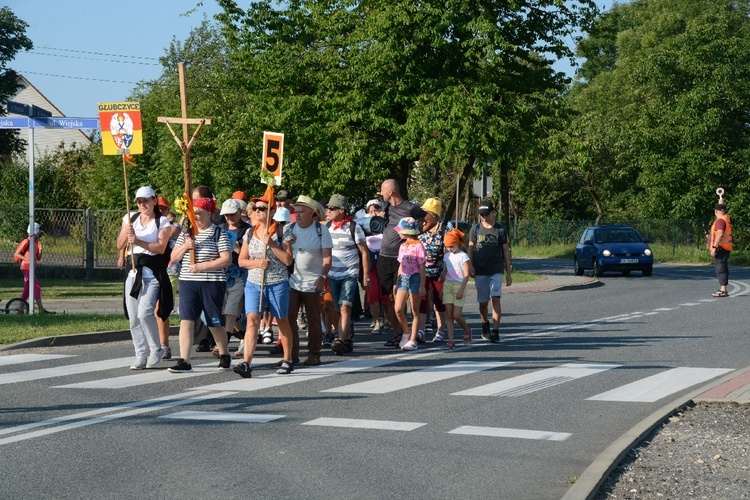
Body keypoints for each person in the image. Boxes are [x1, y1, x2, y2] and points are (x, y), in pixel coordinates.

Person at [168, 187, 233, 373]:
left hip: (212, 282)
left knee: (213, 321)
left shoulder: (218, 233)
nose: (196, 216)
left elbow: (226, 259)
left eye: (200, 213)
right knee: (186, 320)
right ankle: (184, 360)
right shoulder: (186, 233)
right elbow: (174, 256)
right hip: (188, 282)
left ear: (209, 213)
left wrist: (201, 266)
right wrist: (186, 246)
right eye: (193, 213)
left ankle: (224, 353)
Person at [234, 190, 295, 377]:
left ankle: (287, 359)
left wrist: (273, 246)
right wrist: (256, 263)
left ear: (272, 210)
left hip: (277, 282)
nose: (258, 211)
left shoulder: (282, 231)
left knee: (282, 320)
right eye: (256, 208)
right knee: (252, 319)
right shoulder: (249, 233)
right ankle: (246, 362)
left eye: (262, 208)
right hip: (254, 282)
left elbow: (288, 261)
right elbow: (241, 261)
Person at [116, 186, 173, 370]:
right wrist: (128, 233)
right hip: (133, 272)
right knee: (133, 316)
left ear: (154, 200)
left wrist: (139, 241)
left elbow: (161, 248)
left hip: (152, 272)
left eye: (146, 200)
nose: (143, 204)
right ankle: (140, 353)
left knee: (145, 312)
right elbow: (119, 244)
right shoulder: (130, 218)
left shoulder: (161, 221)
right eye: (139, 201)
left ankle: (156, 349)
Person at [377, 179, 437, 347]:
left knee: (403, 298)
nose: (381, 194)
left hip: (403, 257)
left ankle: (410, 334)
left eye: (382, 191)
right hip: (384, 256)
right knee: (389, 298)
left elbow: (431, 220)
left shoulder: (410, 207)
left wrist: (416, 235)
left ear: (390, 192)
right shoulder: (385, 207)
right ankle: (399, 334)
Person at [284, 195, 333, 366]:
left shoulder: (321, 230)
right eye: (295, 212)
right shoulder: (288, 230)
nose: (297, 215)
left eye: (301, 212)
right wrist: (288, 245)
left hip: (313, 282)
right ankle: (291, 353)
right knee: (289, 317)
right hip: (292, 281)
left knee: (313, 319)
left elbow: (328, 260)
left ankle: (314, 354)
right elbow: (284, 257)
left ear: (311, 212)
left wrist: (322, 277)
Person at [325, 194, 369, 356]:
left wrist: (365, 276)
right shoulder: (327, 227)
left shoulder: (354, 227)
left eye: (332, 208)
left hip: (349, 274)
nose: (328, 210)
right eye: (328, 208)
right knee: (336, 309)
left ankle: (340, 339)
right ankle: (347, 337)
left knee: (345, 307)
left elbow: (364, 252)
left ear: (342, 210)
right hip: (332, 274)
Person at [468, 199, 512, 343]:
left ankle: (496, 330)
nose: (484, 217)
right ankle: (485, 322)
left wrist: (508, 272)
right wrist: (470, 265)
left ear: (493, 212)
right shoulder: (475, 229)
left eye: (487, 214)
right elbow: (470, 248)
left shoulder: (500, 229)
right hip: (480, 269)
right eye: (482, 214)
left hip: (496, 269)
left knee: (495, 298)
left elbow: (506, 251)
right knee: (483, 302)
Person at [216, 198, 251, 356]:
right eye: (226, 215)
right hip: (220, 274)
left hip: (240, 275)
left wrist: (238, 249)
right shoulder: (219, 229)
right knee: (227, 312)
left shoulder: (248, 230)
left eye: (232, 214)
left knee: (231, 310)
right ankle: (245, 336)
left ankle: (223, 344)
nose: (229, 217)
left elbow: (253, 254)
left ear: (239, 212)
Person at [393, 217, 426, 351]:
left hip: (415, 278)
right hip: (403, 278)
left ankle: (413, 339)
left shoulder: (418, 245)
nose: (398, 232)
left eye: (400, 230)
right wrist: (397, 281)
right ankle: (406, 332)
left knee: (414, 309)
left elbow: (422, 266)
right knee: (398, 308)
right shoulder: (402, 246)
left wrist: (422, 285)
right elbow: (401, 265)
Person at [417, 197, 447, 343]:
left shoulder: (445, 228)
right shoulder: (420, 227)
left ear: (433, 214)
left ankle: (441, 330)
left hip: (439, 270)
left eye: (426, 212)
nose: (423, 215)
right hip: (423, 270)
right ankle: (421, 329)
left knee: (439, 299)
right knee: (422, 299)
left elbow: (448, 252)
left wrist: (445, 272)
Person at [155, 196, 179, 359]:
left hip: (170, 270)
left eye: (164, 208)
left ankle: (164, 345)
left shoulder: (174, 226)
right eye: (159, 208)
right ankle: (155, 344)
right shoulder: (150, 224)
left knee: (161, 308)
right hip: (153, 270)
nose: (161, 211)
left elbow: (168, 236)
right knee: (150, 310)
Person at [439, 229, 472, 350]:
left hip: (459, 286)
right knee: (449, 315)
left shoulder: (463, 256)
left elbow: (466, 274)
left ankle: (467, 329)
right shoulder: (447, 256)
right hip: (448, 285)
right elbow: (445, 271)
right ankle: (451, 341)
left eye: (451, 246)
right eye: (447, 247)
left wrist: (461, 290)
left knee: (456, 315)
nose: (449, 249)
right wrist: (442, 288)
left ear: (457, 244)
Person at [14, 222, 49, 314]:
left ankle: (20, 310)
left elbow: (38, 258)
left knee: (27, 290)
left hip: (32, 268)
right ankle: (41, 310)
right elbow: (16, 254)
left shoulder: (37, 243)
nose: (39, 233)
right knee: (36, 287)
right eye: (38, 231)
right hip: (26, 267)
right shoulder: (26, 241)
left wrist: (40, 251)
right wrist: (27, 259)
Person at [709, 202, 732, 297]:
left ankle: (723, 290)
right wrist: (720, 198)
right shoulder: (725, 218)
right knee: (722, 267)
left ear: (716, 211)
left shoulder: (720, 221)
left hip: (721, 248)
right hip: (725, 248)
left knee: (720, 268)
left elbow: (720, 234)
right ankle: (723, 289)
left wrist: (714, 247)